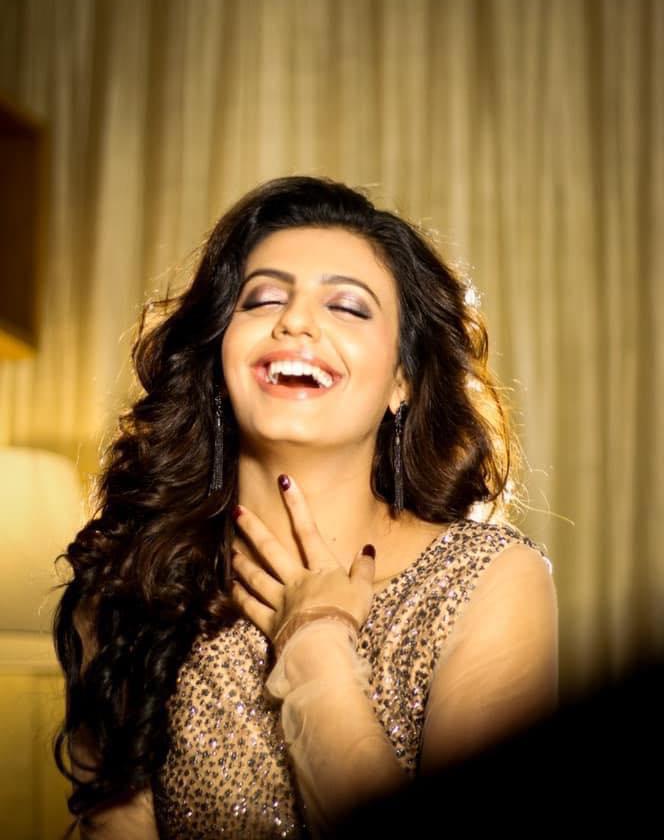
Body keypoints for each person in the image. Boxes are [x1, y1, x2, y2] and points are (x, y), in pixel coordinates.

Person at [53, 175, 558, 839]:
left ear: (402, 380)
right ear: (219, 357)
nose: (296, 321)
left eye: (348, 307)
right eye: (262, 298)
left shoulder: (492, 581)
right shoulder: (130, 584)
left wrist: (315, 647)